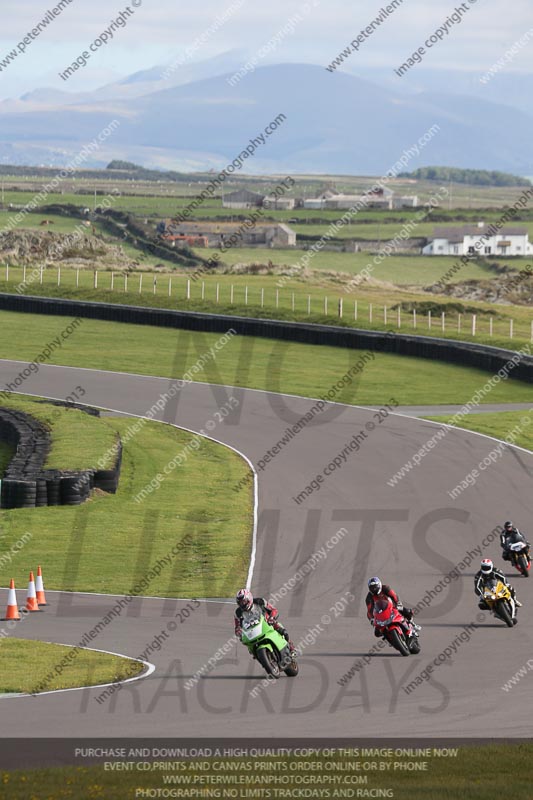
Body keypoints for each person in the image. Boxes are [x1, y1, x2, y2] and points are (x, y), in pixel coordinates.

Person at [234, 589, 295, 655]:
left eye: (244, 601)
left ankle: (291, 647)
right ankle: (256, 654)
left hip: (267, 623)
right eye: (240, 602)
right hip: (251, 630)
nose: (242, 604)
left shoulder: (260, 601)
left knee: (281, 629)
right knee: (248, 645)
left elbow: (273, 610)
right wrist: (239, 632)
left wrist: (271, 618)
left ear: (249, 598)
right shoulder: (238, 613)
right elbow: (237, 627)